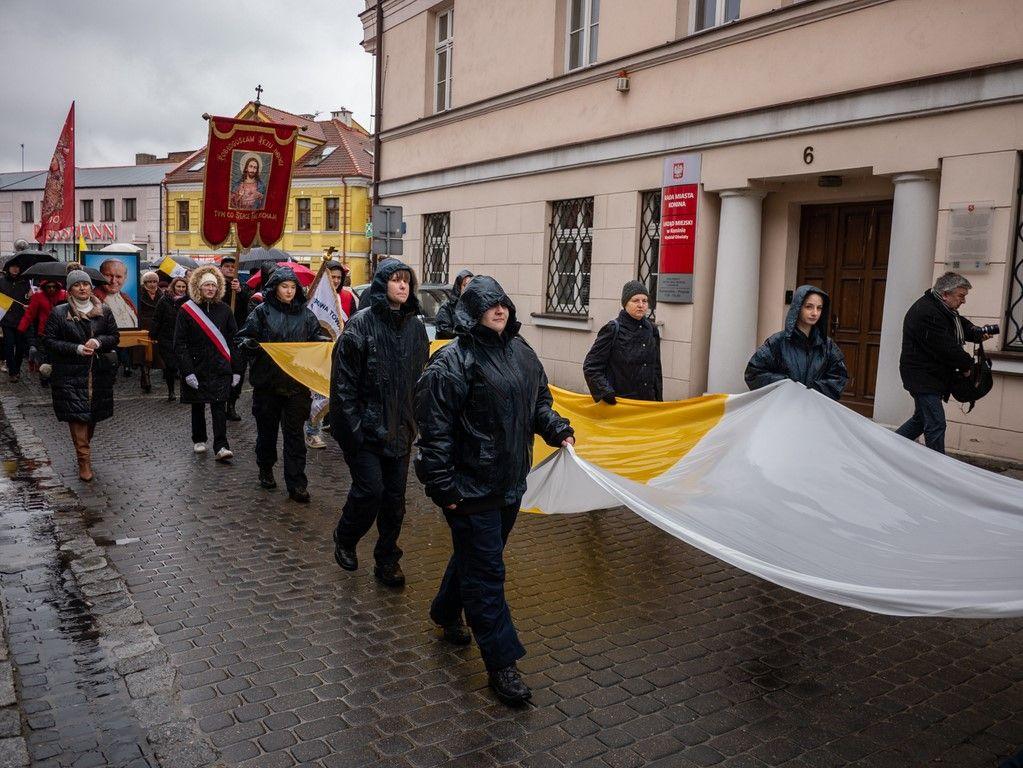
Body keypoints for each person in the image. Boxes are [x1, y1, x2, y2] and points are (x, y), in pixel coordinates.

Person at [414, 276, 574, 706]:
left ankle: (446, 612)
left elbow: (539, 401)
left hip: (508, 482)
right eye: (489, 305)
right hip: (467, 488)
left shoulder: (522, 352)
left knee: (477, 557)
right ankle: (501, 663)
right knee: (487, 574)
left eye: (503, 302)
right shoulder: (452, 361)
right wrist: (443, 486)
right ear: (471, 312)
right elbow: (434, 432)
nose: (499, 310)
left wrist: (556, 428)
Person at [330, 259, 429, 587]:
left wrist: (419, 420)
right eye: (396, 280)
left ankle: (387, 560)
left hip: (401, 430)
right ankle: (346, 536)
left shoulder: (416, 328)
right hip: (367, 432)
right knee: (370, 491)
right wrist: (354, 432)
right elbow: (342, 387)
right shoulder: (360, 326)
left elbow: (422, 379)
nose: (403, 286)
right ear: (382, 284)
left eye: (407, 282)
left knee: (394, 503)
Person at [236, 267, 326, 502]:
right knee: (267, 434)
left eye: (292, 287)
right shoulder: (261, 312)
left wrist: (323, 342)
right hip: (268, 385)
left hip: (297, 385)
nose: (289, 291)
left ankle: (296, 483)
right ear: (275, 288)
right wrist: (250, 344)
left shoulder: (306, 315)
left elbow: (314, 335)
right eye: (284, 286)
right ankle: (265, 467)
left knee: (295, 437)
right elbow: (242, 337)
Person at [895, 272, 989, 453]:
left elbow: (959, 325)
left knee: (921, 420)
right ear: (945, 294)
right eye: (961, 296)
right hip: (922, 377)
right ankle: (938, 470)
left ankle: (884, 449)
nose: (963, 301)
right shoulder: (927, 312)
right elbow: (947, 348)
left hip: (930, 376)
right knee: (936, 424)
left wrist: (977, 332)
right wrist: (967, 365)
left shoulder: (942, 310)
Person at [43, 270, 119, 482]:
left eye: (85, 284)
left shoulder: (104, 310)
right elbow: (49, 341)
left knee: (91, 418)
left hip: (97, 374)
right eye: (77, 285)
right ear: (70, 289)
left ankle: (83, 447)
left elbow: (114, 336)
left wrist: (98, 342)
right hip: (70, 375)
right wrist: (75, 348)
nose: (83, 288)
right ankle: (84, 462)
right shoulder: (59, 313)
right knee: (78, 418)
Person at [174, 266, 240, 461]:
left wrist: (236, 369)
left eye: (213, 285)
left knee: (219, 406)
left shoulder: (225, 310)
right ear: (198, 288)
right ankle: (199, 438)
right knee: (198, 405)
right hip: (196, 366)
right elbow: (180, 343)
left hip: (220, 367)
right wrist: (187, 371)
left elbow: (233, 341)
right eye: (206, 285)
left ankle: (221, 445)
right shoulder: (186, 310)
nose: (210, 289)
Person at [744, 284, 849, 400]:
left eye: (819, 308)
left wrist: (813, 389)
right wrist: (786, 384)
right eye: (809, 307)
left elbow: (839, 377)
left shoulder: (827, 345)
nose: (815, 313)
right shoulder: (778, 342)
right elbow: (753, 373)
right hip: (784, 408)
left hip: (814, 409)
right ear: (798, 307)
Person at [305, 260, 357, 450]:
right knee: (318, 393)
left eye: (338, 277)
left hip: (341, 352)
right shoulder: (316, 295)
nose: (335, 280)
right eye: (332, 277)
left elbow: (353, 321)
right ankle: (312, 431)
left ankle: (338, 427)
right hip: (318, 352)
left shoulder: (347, 297)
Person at [583, 280, 663, 403]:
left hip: (647, 404)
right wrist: (606, 393)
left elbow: (656, 369)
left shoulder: (652, 330)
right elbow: (591, 366)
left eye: (645, 301)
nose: (641, 305)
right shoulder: (613, 329)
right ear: (625, 303)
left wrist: (658, 401)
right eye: (636, 301)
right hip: (621, 405)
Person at [219, 256, 252, 421]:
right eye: (227, 266)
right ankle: (220, 402)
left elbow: (249, 304)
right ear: (221, 268)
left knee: (238, 371)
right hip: (219, 335)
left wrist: (239, 291)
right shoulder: (216, 285)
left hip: (238, 336)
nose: (230, 269)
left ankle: (232, 404)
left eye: (233, 266)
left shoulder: (242, 286)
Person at [18, 279, 67, 386]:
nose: (51, 289)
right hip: (43, 332)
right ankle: (44, 377)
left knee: (57, 356)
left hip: (60, 332)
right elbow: (30, 314)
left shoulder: (64, 295)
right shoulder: (38, 297)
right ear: (45, 287)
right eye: (49, 287)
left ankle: (56, 377)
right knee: (44, 357)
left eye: (53, 286)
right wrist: (21, 328)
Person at [95, 258, 138, 378]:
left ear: (125, 278)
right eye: (108, 275)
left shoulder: (126, 298)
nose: (113, 281)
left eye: (118, 276)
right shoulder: (94, 298)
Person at [151, 277, 188, 401]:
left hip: (183, 338)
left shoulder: (189, 301)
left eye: (183, 287)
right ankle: (171, 391)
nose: (181, 289)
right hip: (166, 338)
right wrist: (153, 335)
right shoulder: (164, 300)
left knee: (184, 366)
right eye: (179, 286)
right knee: (170, 366)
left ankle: (184, 392)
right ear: (173, 287)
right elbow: (157, 318)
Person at [0, 259, 31, 383]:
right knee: (8, 345)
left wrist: (28, 300)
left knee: (20, 347)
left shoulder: (25, 283)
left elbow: (27, 300)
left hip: (21, 319)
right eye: (12, 267)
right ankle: (12, 371)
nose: (15, 269)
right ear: (8, 269)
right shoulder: (2, 282)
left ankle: (17, 368)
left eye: (17, 267)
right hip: (6, 319)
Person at [137, 271, 162, 393]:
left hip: (157, 326)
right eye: (149, 282)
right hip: (143, 326)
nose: (152, 284)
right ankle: (145, 375)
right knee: (143, 351)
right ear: (144, 283)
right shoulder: (138, 294)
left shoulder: (162, 294)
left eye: (154, 281)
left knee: (156, 352)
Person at [434, 269, 474, 340]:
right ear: (459, 287)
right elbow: (443, 331)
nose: (468, 288)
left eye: (470, 285)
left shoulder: (475, 306)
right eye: (465, 285)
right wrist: (464, 335)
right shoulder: (447, 307)